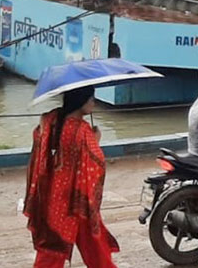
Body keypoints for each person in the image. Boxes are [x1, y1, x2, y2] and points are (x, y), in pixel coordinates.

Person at [24, 87, 118, 268]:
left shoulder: (50, 119)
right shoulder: (82, 131)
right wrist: (96, 140)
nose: (93, 103)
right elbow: (96, 162)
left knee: (55, 245)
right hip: (76, 197)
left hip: (50, 193)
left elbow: (40, 139)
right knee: (84, 244)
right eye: (91, 99)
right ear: (81, 100)